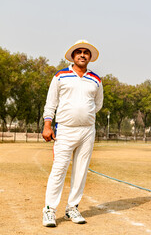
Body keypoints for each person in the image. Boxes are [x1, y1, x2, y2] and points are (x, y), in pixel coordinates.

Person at [42, 40, 103, 227]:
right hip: (65, 129)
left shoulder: (96, 80)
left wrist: (85, 115)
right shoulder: (60, 76)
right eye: (79, 52)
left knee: (81, 170)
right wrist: (47, 124)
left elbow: (98, 104)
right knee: (59, 169)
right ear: (73, 56)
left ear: (90, 57)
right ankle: (49, 210)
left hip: (87, 131)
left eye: (86, 52)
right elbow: (51, 102)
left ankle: (72, 208)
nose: (82, 55)